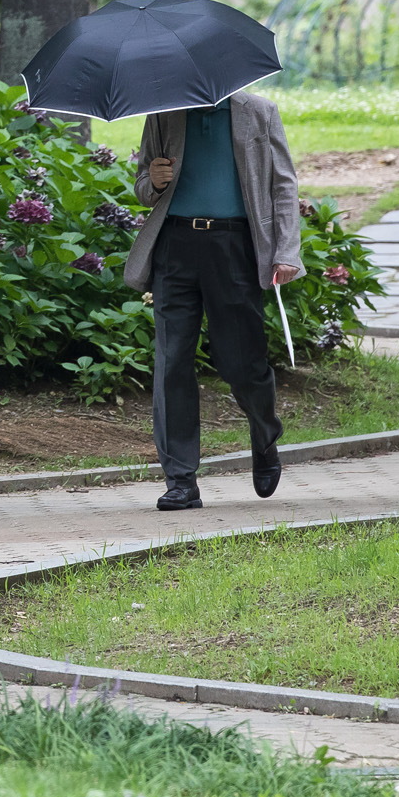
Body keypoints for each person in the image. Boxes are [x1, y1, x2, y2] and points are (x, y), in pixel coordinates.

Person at [122, 93, 303, 511]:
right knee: (172, 361)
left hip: (234, 245)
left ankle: (264, 435)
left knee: (242, 363)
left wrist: (286, 251)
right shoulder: (165, 110)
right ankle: (181, 480)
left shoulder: (259, 112)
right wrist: (154, 178)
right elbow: (143, 188)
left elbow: (283, 183)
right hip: (175, 246)